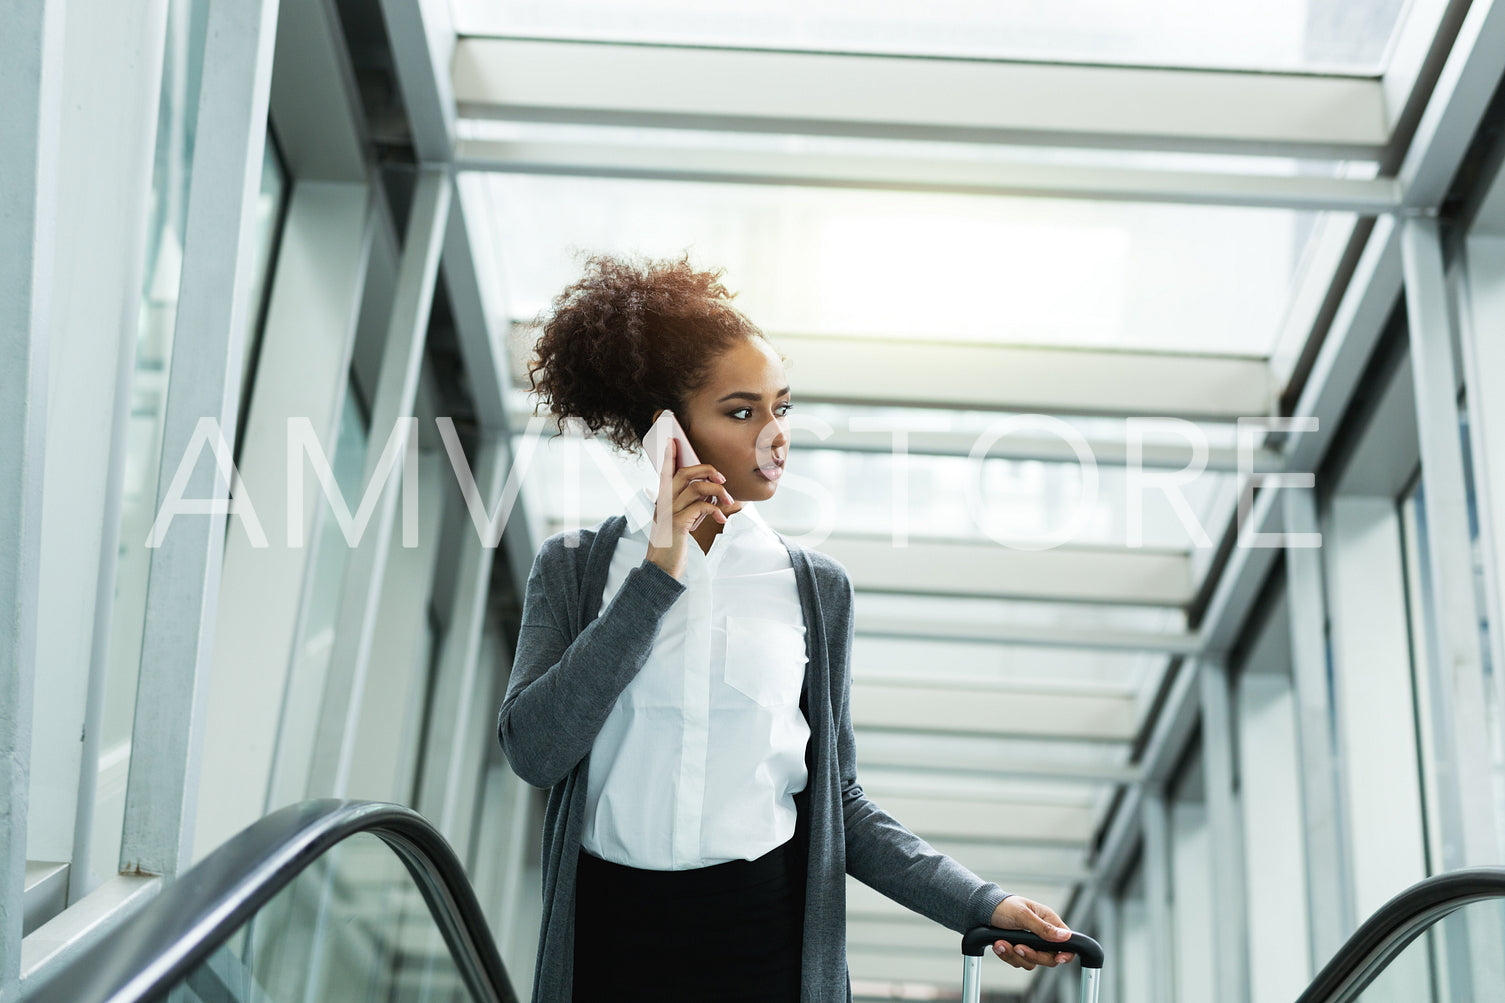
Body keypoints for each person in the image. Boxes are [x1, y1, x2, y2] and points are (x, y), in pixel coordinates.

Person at [498, 253, 1076, 1002]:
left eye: (782, 407)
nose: (775, 437)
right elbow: (536, 750)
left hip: (762, 946)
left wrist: (978, 903)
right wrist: (656, 577)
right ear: (664, 428)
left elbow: (841, 801)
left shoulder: (814, 589)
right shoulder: (574, 567)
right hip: (609, 942)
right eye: (741, 412)